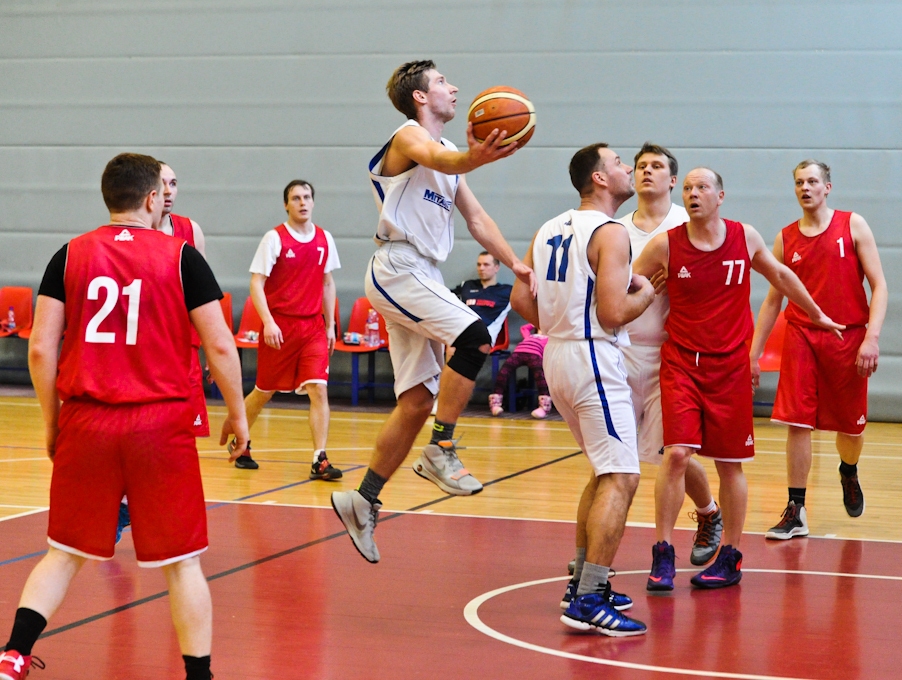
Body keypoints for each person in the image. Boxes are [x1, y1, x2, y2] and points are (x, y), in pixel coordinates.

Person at [0, 153, 249, 680]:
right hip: (160, 426)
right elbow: (221, 346)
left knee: (63, 553)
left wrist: (52, 422)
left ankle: (13, 656)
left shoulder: (68, 255)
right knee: (182, 566)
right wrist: (238, 417)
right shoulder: (182, 256)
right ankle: (198, 676)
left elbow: (42, 350)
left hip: (87, 422)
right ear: (153, 198)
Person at [331, 59, 535, 563]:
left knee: (418, 400)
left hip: (422, 273)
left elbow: (477, 217)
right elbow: (444, 163)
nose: (454, 88)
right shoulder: (408, 138)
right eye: (443, 82)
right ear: (421, 97)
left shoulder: (447, 152)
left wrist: (516, 264)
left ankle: (363, 500)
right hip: (398, 267)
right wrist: (476, 156)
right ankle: (440, 449)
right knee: (474, 337)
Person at [633, 167, 843, 590]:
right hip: (681, 364)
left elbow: (781, 276)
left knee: (731, 465)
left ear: (720, 195)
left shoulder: (743, 236)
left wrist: (816, 313)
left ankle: (730, 555)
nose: (693, 194)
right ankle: (663, 552)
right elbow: (625, 283)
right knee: (676, 454)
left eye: (702, 187)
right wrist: (642, 293)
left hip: (729, 367)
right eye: (688, 188)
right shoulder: (665, 246)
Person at [513, 142, 656, 636]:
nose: (626, 169)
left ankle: (581, 583)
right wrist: (648, 294)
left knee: (603, 470)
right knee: (622, 475)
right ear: (599, 178)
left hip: (558, 354)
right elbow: (614, 313)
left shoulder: (549, 226)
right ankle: (591, 599)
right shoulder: (611, 231)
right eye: (618, 162)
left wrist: (559, 319)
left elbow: (519, 299)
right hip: (594, 355)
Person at [750, 160, 886, 539]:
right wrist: (753, 354)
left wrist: (871, 337)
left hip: (848, 339)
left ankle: (848, 470)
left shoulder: (852, 224)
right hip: (802, 336)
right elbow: (772, 302)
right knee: (797, 421)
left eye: (812, 181)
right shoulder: (785, 238)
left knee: (851, 427)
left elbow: (880, 286)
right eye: (798, 182)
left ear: (828, 187)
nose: (805, 187)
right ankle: (796, 508)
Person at [618, 144, 722, 576]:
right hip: (622, 350)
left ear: (673, 181)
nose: (646, 172)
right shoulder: (617, 229)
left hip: (672, 356)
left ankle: (709, 512)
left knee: (673, 455)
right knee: (614, 459)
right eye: (641, 166)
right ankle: (595, 551)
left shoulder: (687, 227)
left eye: (657, 166)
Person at [116, 161, 211, 543]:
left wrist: (207, 354)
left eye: (175, 183)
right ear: (149, 191)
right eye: (162, 184)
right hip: (137, 351)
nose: (169, 190)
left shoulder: (190, 232)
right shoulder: (125, 235)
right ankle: (126, 505)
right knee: (134, 432)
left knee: (177, 439)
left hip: (180, 348)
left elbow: (201, 299)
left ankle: (156, 510)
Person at [226, 180, 342, 480]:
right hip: (281, 327)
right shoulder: (274, 239)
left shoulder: (325, 238)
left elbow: (327, 283)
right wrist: (268, 322)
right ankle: (241, 439)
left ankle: (320, 459)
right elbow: (256, 283)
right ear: (286, 204)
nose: (302, 202)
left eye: (307, 197)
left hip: (313, 327)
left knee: (318, 388)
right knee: (264, 391)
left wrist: (330, 326)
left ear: (313, 202)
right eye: (295, 198)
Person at [488, 323, 551, 419]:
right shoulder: (529, 336)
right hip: (518, 353)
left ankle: (544, 407)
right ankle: (495, 404)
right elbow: (524, 328)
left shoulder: (549, 339)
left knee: (540, 376)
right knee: (503, 372)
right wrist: (536, 323)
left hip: (534, 355)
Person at [452, 251, 512, 345]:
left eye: (486, 265)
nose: (481, 268)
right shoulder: (467, 285)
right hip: (461, 331)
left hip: (485, 336)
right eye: (479, 265)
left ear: (496, 268)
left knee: (457, 345)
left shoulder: (507, 291)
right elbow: (445, 298)